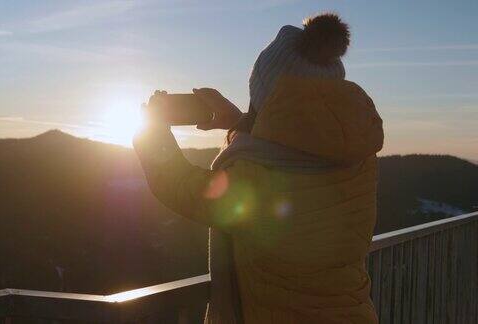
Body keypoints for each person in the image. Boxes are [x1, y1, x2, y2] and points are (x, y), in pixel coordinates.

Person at [134, 13, 383, 324]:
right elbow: (296, 144)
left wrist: (150, 132)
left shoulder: (260, 180)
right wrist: (240, 121)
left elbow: (181, 186)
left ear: (266, 96)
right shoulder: (355, 156)